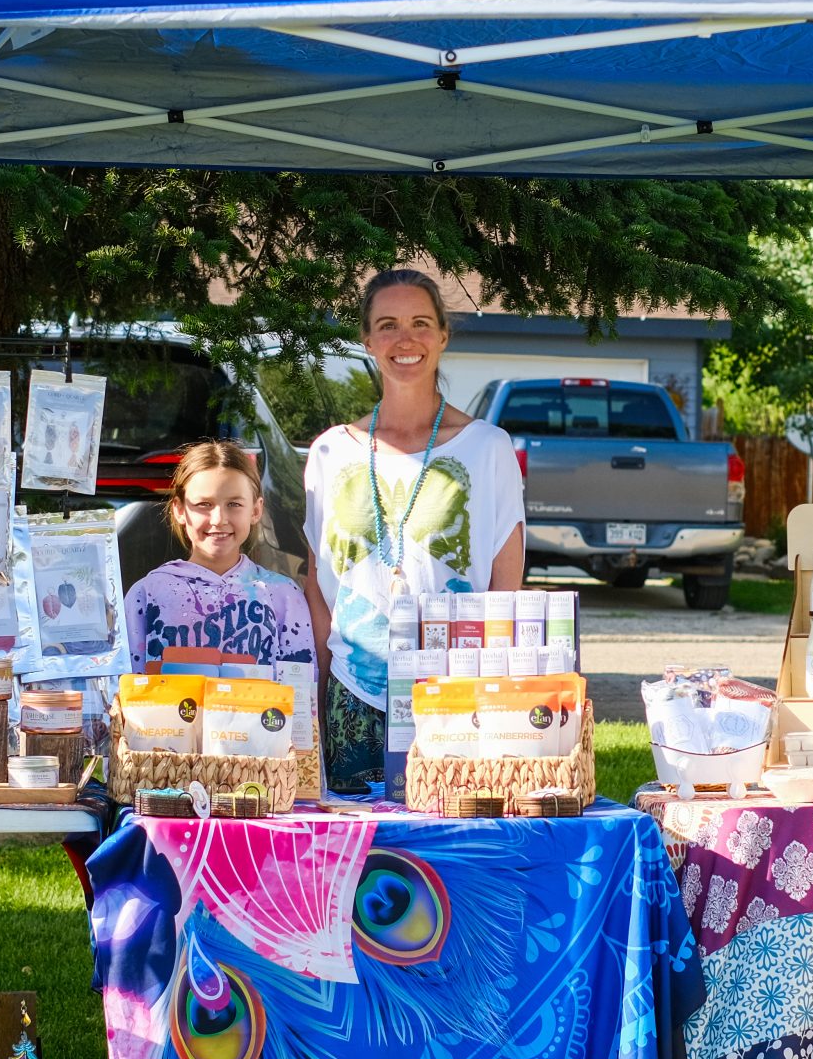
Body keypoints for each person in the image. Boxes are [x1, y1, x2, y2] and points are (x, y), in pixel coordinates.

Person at [303, 269, 526, 792]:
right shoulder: (330, 451)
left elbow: (506, 584)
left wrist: (488, 694)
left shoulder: (487, 447)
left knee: (450, 850)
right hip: (351, 696)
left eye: (421, 323)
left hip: (455, 696)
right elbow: (318, 582)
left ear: (443, 335)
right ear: (367, 339)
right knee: (353, 858)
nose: (405, 340)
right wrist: (318, 691)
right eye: (388, 325)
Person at [120, 440, 316, 681]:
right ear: (180, 510)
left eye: (234, 504)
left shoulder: (283, 596)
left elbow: (301, 694)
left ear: (255, 510)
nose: (219, 519)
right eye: (204, 504)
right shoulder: (147, 594)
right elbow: (128, 686)